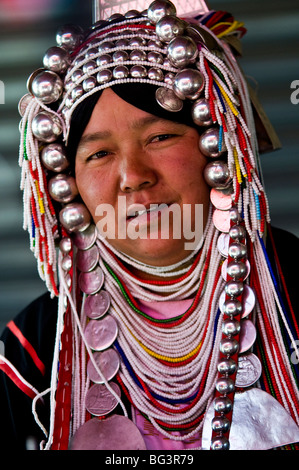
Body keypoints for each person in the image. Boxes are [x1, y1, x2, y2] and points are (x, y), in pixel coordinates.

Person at [0, 0, 299, 451]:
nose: (133, 175)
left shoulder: (291, 295)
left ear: (216, 146)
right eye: (99, 154)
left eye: (160, 137)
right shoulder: (33, 354)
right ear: (67, 183)